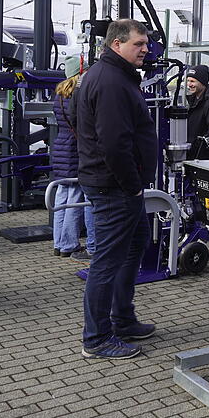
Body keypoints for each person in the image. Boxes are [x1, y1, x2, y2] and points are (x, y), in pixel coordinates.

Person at [76, 19, 158, 360]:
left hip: (120, 187)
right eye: (138, 44)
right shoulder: (110, 81)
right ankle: (96, 339)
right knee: (106, 263)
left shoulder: (116, 76)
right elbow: (114, 144)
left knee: (134, 246)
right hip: (115, 187)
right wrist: (132, 185)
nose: (145, 49)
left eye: (145, 43)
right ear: (117, 45)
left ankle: (122, 319)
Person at [50, 56, 94, 260]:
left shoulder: (59, 93)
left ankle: (58, 242)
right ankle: (69, 243)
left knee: (61, 197)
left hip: (60, 146)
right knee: (76, 199)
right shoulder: (78, 92)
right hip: (74, 148)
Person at [185, 64, 209, 160]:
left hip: (203, 157)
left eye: (193, 81)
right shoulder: (192, 101)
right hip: (191, 154)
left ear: (202, 82)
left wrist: (198, 143)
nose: (189, 84)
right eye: (188, 81)